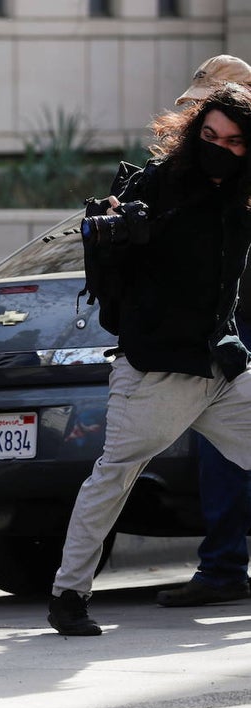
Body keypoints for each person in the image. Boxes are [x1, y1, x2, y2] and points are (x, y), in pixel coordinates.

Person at [47, 83, 251, 636]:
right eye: (208, 136)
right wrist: (118, 230)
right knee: (114, 476)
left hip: (220, 366)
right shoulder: (162, 185)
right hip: (156, 371)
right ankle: (68, 594)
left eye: (233, 141)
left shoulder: (242, 192)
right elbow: (110, 247)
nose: (219, 149)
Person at [157, 55, 251, 608]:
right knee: (221, 446)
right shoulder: (197, 172)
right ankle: (222, 567)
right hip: (223, 320)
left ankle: (221, 569)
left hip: (237, 320)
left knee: (226, 448)